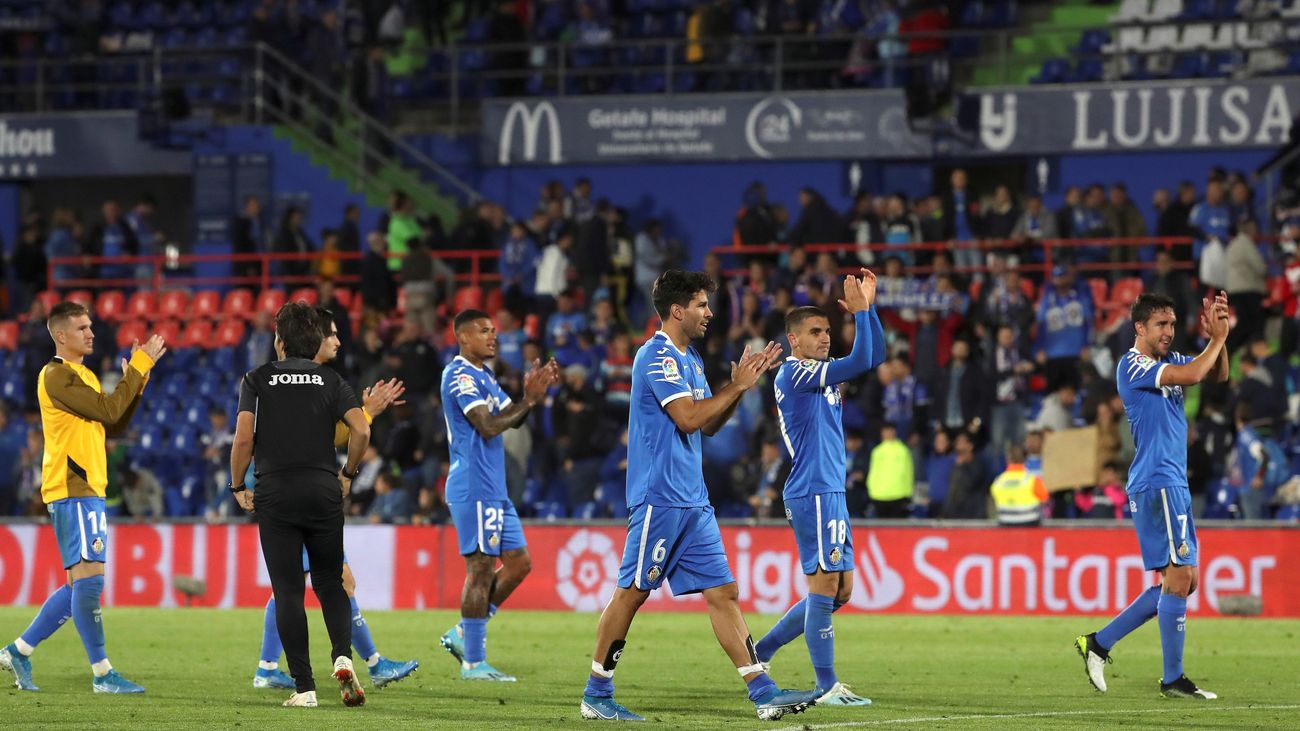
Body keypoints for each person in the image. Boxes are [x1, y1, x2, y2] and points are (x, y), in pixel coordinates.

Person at [579, 270, 817, 722]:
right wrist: (736, 388)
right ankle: (596, 692)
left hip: (693, 500)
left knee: (724, 592)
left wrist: (738, 389)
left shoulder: (690, 359)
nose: (709, 313)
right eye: (702, 305)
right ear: (677, 310)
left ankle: (763, 692)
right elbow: (687, 418)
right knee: (632, 593)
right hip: (659, 498)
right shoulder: (657, 356)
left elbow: (708, 424)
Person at [0, 302, 164, 693]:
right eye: (82, 328)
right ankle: (103, 674)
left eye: (90, 326)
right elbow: (109, 410)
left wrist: (137, 382)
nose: (91, 333)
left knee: (79, 583)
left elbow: (114, 422)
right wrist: (138, 366)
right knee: (89, 582)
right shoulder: (55, 375)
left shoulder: (83, 375)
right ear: (60, 335)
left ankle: (19, 650)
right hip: (73, 487)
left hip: (86, 488)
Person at [252, 307, 417, 691]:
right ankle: (369, 663)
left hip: (289, 493)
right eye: (332, 334)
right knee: (329, 582)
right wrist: (366, 417)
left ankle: (270, 666)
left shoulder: (296, 381)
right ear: (313, 337)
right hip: (305, 495)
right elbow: (328, 438)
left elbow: (325, 436)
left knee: (299, 585)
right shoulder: (314, 382)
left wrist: (366, 414)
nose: (339, 341)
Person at [1075, 291, 1229, 700]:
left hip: (1172, 481)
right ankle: (1172, 679)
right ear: (1139, 327)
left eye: (1173, 324)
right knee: (1177, 579)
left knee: (1185, 581)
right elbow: (1195, 374)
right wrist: (1215, 342)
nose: (1169, 331)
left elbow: (1217, 375)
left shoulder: (1170, 359)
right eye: (1161, 324)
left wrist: (1220, 336)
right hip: (1156, 480)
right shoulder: (1133, 365)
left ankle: (1098, 643)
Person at [752, 269, 884, 707]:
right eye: (815, 332)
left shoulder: (818, 372)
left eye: (827, 331)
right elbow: (861, 361)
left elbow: (874, 356)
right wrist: (859, 314)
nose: (825, 338)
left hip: (830, 491)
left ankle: (761, 651)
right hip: (813, 490)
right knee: (824, 586)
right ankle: (827, 686)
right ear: (794, 339)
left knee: (840, 592)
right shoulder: (795, 373)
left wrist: (870, 310)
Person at [230, 301, 370, 708]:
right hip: (323, 489)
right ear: (314, 342)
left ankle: (305, 688)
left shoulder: (256, 379)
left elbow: (243, 438)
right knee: (329, 582)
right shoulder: (332, 379)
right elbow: (361, 430)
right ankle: (342, 656)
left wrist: (237, 486)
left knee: (289, 590)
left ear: (280, 341)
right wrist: (348, 474)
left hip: (276, 492)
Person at [436, 310, 560, 681]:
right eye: (483, 331)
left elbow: (512, 416)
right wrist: (528, 402)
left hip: (494, 487)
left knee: (519, 563)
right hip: (474, 485)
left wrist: (529, 397)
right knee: (480, 568)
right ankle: (474, 662)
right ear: (463, 337)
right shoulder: (459, 375)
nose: (493, 336)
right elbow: (489, 426)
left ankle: (464, 632)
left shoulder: (485, 376)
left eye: (494, 330)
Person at [989, 446, 1047, 526]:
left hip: (1005, 525)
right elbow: (1044, 497)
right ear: (1025, 459)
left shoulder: (998, 481)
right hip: (1030, 524)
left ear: (1008, 459)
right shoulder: (1033, 480)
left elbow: (994, 497)